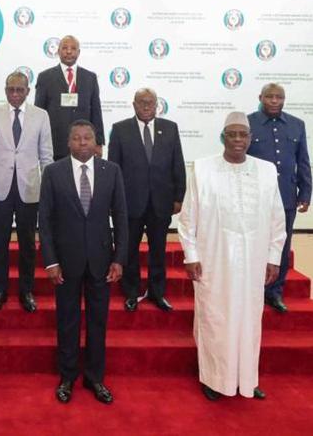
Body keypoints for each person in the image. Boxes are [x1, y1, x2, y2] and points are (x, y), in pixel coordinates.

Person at [179, 111, 286, 401]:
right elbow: (188, 218)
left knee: (250, 319)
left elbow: (277, 218)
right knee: (215, 318)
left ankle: (247, 378)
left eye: (243, 134)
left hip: (253, 262)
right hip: (214, 259)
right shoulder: (202, 169)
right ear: (223, 137)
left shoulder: (266, 170)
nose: (238, 140)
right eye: (232, 134)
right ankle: (214, 379)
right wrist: (191, 254)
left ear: (251, 138)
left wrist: (274, 257)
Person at [39, 119, 127, 405]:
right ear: (68, 142)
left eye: (87, 138)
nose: (82, 143)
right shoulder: (53, 172)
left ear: (95, 141)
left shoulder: (111, 171)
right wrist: (50, 261)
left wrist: (119, 258)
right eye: (76, 138)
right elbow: (46, 220)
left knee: (98, 322)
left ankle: (95, 377)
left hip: (102, 261)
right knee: (67, 321)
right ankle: (67, 377)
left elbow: (122, 219)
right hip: (65, 262)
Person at [0, 71, 53, 313]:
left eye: (19, 90)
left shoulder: (41, 116)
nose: (15, 94)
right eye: (10, 89)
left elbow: (46, 156)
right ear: (5, 90)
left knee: (27, 244)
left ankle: (26, 290)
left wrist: (49, 191)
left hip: (30, 189)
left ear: (28, 91)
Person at [108, 88, 186, 312]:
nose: (146, 106)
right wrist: (115, 202)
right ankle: (131, 292)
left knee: (158, 250)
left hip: (161, 202)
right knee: (129, 249)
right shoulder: (120, 129)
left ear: (156, 105)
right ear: (133, 105)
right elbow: (114, 170)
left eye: (150, 102)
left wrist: (179, 196)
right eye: (141, 102)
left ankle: (157, 292)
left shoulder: (170, 129)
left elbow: (177, 165)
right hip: (130, 203)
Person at [247, 83, 311, 313]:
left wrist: (305, 192)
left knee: (281, 246)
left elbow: (302, 161)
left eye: (279, 97)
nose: (274, 101)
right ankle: (252, 290)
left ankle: (274, 293)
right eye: (269, 97)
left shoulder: (296, 125)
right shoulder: (248, 123)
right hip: (254, 200)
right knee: (254, 245)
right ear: (260, 97)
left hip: (286, 197)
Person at [34, 35, 104, 160]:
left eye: (73, 48)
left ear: (79, 52)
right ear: (58, 51)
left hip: (84, 144)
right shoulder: (45, 77)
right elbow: (39, 112)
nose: (69, 51)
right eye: (64, 48)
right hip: (54, 143)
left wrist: (98, 142)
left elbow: (96, 111)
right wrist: (36, 141)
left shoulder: (90, 77)